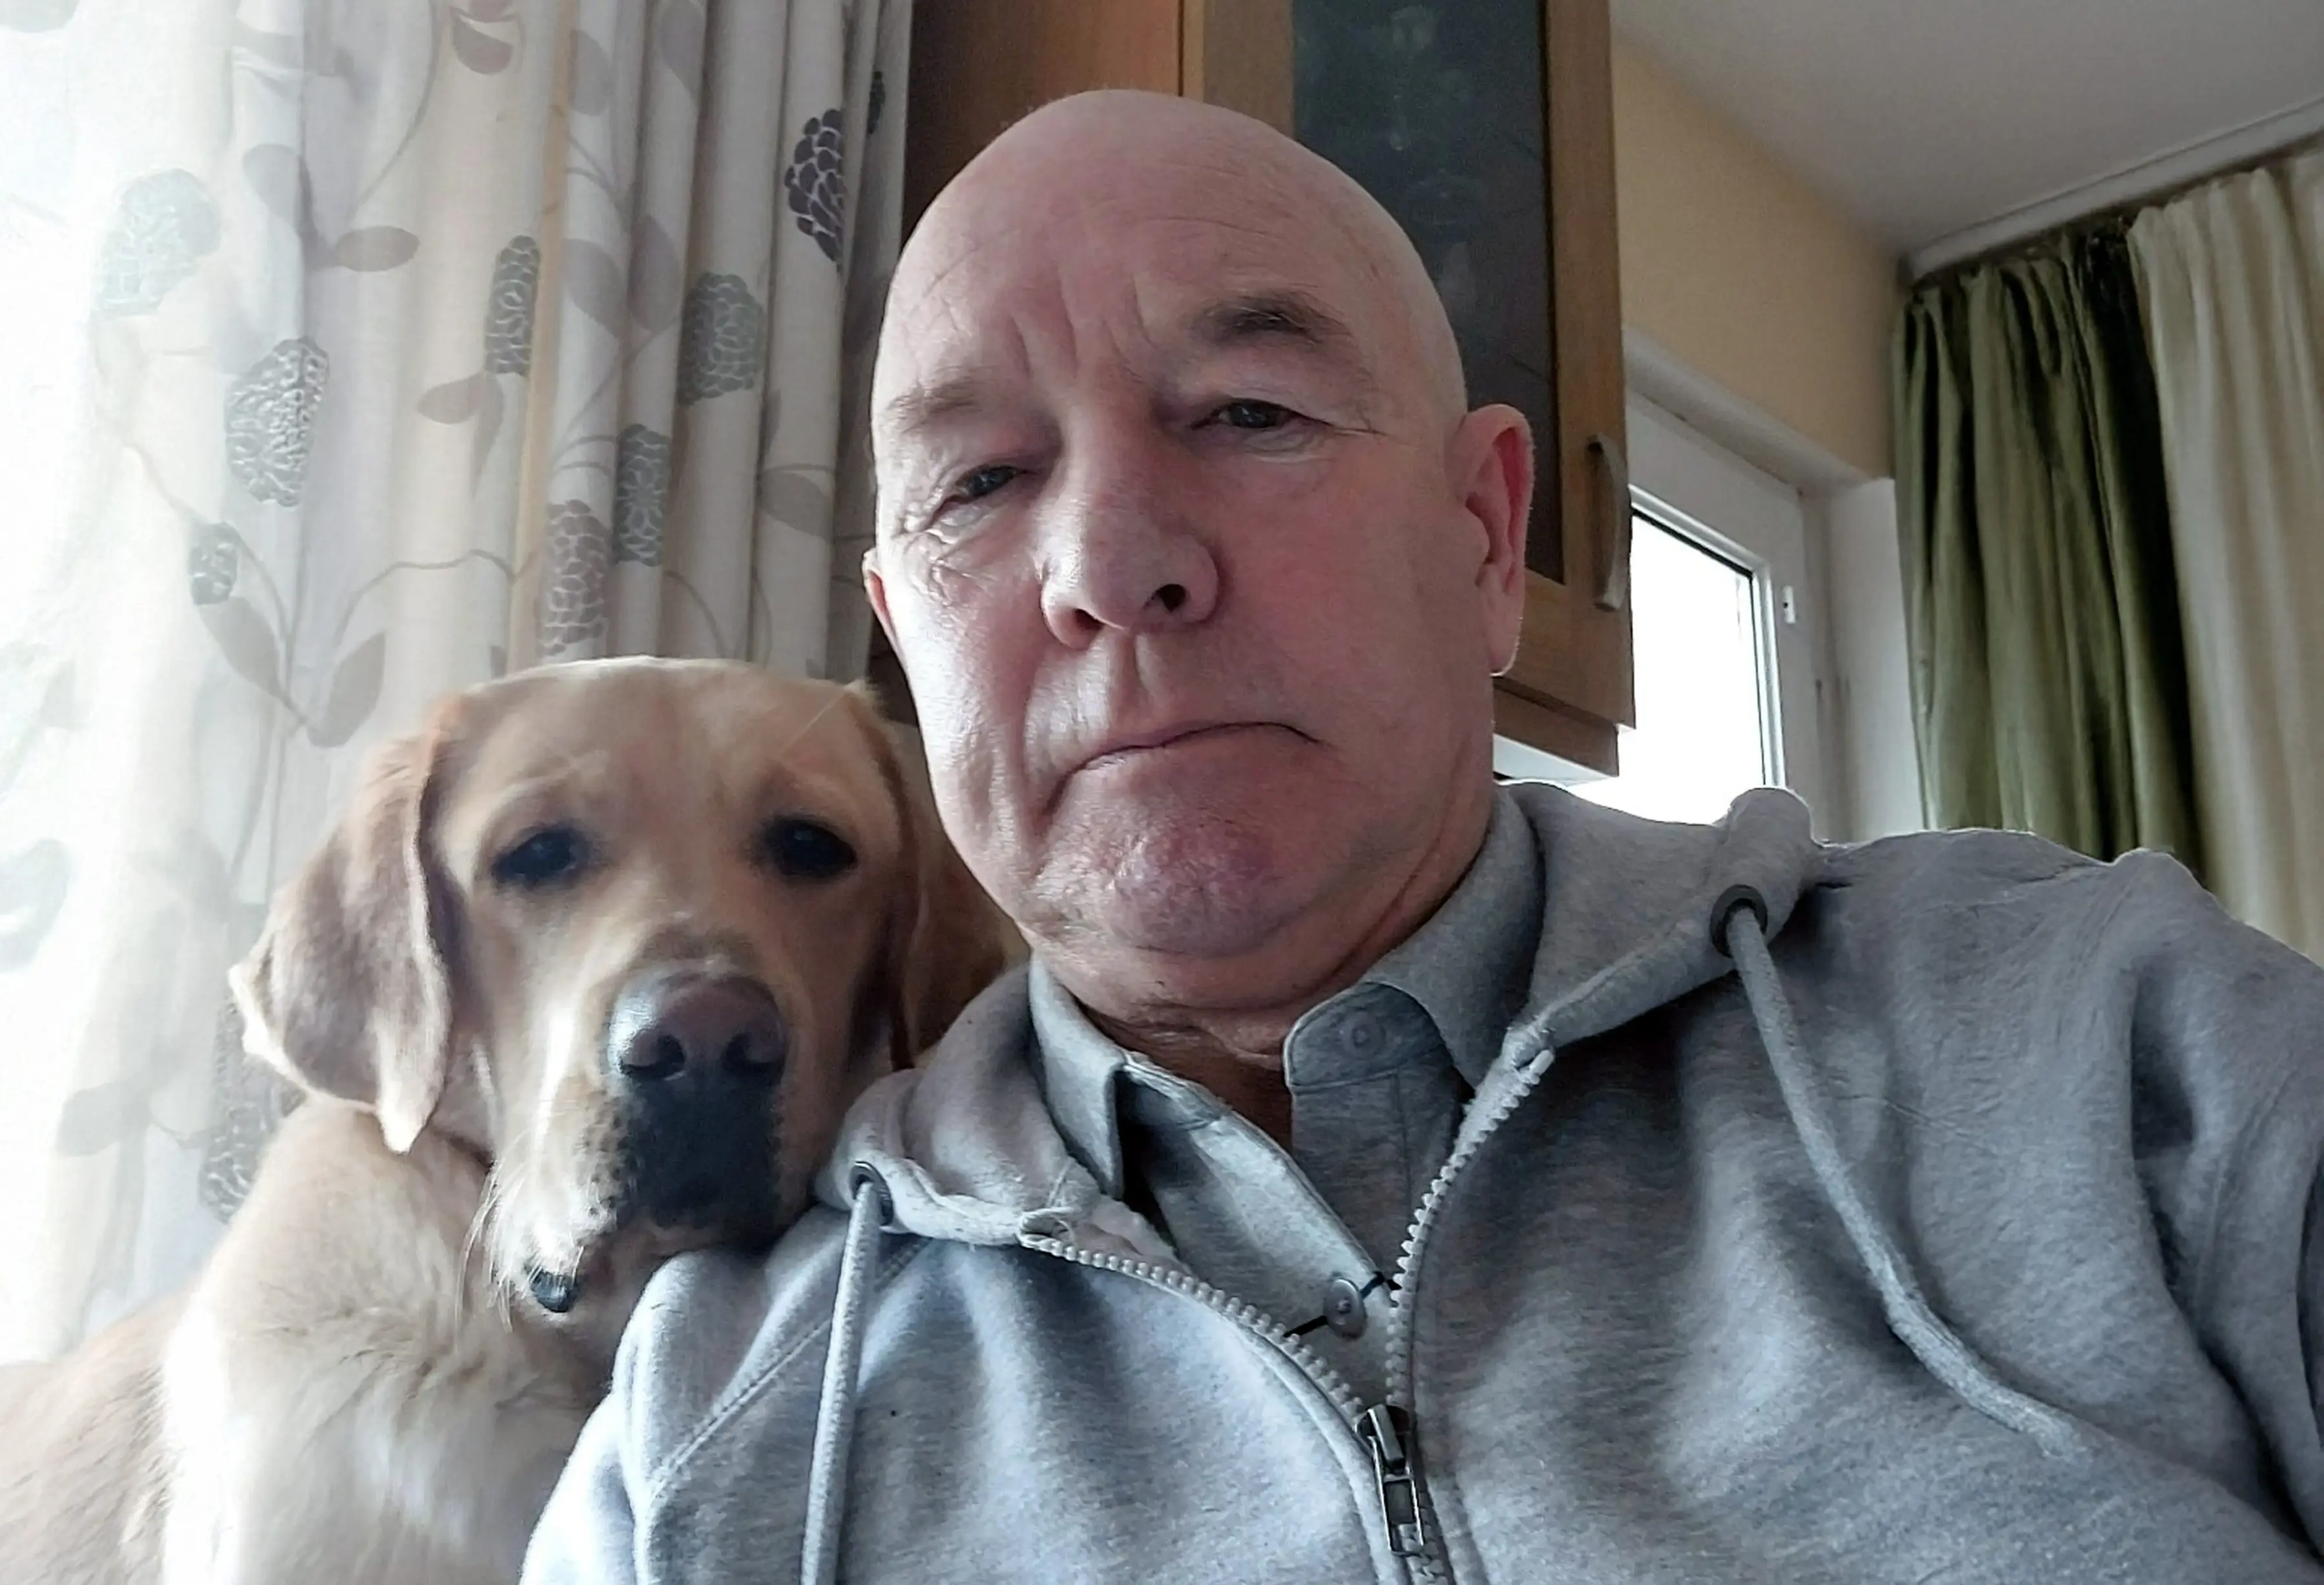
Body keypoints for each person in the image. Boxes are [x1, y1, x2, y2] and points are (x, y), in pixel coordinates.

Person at [524, 89, 2324, 1584]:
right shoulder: (709, 1432)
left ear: (1484, 535)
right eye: (979, 484)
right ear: (905, 633)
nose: (1108, 564)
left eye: (1248, 412)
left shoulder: (2109, 1042)